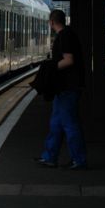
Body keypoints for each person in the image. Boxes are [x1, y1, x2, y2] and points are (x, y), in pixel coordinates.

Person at [35, 9, 88, 169]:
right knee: (56, 124)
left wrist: (50, 69)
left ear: (51, 22)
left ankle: (79, 160)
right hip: (63, 88)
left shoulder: (65, 36)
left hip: (68, 87)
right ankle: (50, 156)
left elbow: (69, 60)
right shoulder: (67, 34)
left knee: (70, 124)